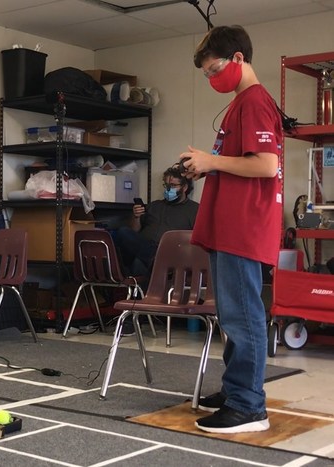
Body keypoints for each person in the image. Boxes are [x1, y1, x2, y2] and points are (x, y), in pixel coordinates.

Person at [180, 25, 283, 434]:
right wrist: (206, 166)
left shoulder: (254, 101)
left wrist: (212, 162)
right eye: (206, 73)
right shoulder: (242, 103)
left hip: (243, 228)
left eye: (214, 69)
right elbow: (240, 163)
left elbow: (266, 165)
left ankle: (248, 406)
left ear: (238, 59)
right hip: (230, 226)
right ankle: (237, 388)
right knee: (233, 315)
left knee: (243, 316)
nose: (212, 79)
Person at [113, 164, 199, 278]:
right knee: (123, 232)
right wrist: (137, 217)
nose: (168, 189)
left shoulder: (195, 210)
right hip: (146, 249)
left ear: (184, 188)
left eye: (173, 186)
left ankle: (154, 261)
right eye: (166, 185)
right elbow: (134, 230)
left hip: (172, 255)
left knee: (139, 262)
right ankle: (153, 260)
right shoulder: (154, 206)